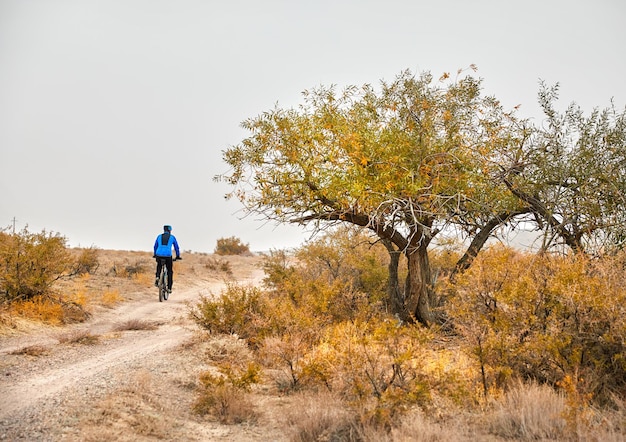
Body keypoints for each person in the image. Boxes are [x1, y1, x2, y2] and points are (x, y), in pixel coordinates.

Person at [153, 225, 181, 293]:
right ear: (170, 230)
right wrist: (177, 256)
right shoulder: (172, 237)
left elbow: (155, 246)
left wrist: (155, 254)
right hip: (168, 255)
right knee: (169, 271)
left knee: (159, 265)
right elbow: (176, 247)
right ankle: (169, 287)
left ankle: (157, 277)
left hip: (158, 254)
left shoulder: (159, 236)